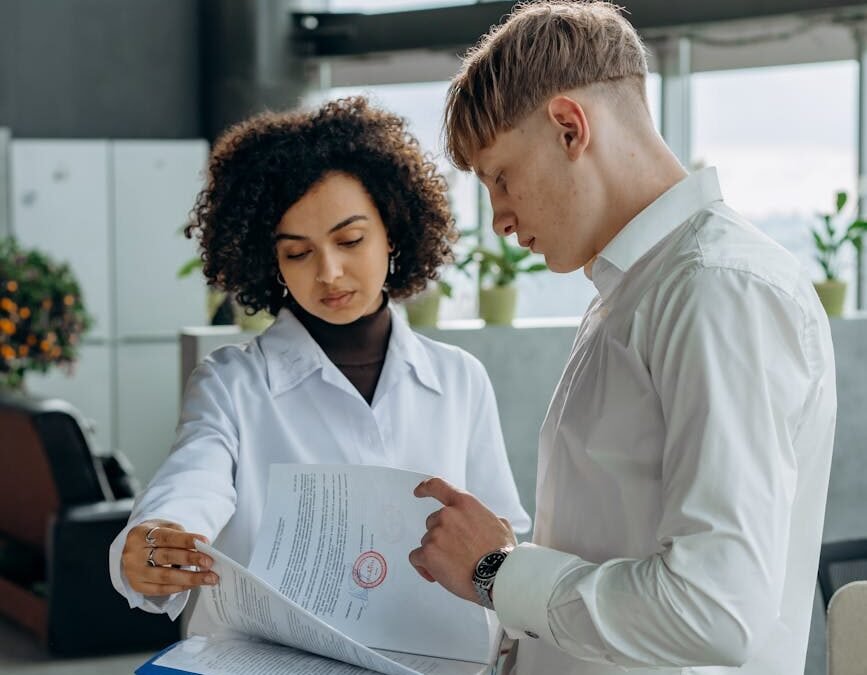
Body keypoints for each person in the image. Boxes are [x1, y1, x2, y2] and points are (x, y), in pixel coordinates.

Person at [408, 3, 837, 674]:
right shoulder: (639, 290)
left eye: (500, 177)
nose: (499, 219)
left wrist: (496, 572)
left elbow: (714, 610)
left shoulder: (716, 289)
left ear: (569, 127)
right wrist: (505, 575)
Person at [108, 96, 530, 634]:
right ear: (271, 261)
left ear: (392, 231)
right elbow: (193, 481)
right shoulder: (230, 384)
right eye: (298, 252)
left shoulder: (458, 378)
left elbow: (501, 531)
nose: (329, 272)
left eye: (350, 240)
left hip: (432, 658)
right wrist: (159, 535)